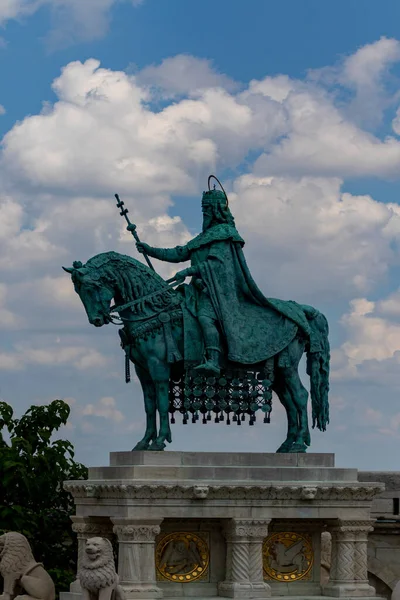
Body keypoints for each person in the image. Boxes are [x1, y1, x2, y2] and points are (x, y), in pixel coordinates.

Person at [134, 188, 312, 375]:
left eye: (206, 211)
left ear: (215, 211)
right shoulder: (204, 237)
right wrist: (149, 250)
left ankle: (212, 360)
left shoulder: (224, 234)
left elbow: (216, 265)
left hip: (218, 293)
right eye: (203, 211)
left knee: (205, 317)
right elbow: (179, 253)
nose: (204, 215)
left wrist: (189, 270)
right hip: (198, 290)